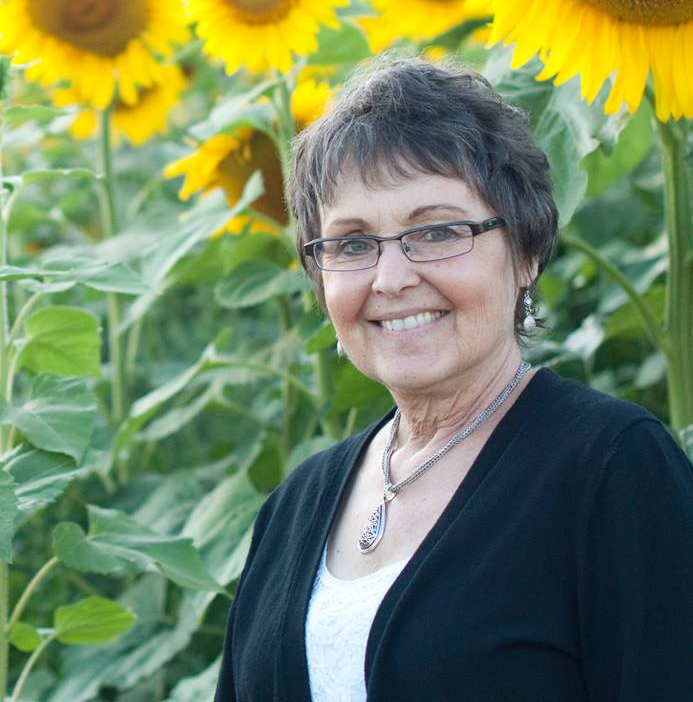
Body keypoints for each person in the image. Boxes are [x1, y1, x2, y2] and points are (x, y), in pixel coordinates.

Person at [214, 57, 693, 702]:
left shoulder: (612, 467)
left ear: (525, 252)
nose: (390, 279)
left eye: (437, 231)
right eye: (352, 245)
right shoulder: (295, 505)